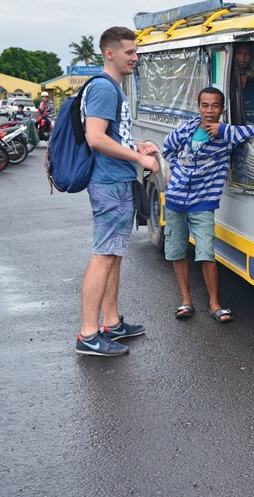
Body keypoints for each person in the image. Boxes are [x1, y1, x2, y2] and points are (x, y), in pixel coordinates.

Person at [75, 26, 160, 357]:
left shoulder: (112, 89)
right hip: (109, 183)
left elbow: (111, 137)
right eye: (129, 52)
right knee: (103, 256)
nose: (135, 58)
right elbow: (95, 137)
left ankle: (110, 323)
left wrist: (136, 145)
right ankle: (88, 333)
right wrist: (139, 157)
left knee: (113, 255)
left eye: (136, 52)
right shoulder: (105, 89)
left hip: (117, 181)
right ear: (109, 53)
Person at [161, 87, 254, 322]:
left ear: (222, 109)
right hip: (176, 199)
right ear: (198, 107)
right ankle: (186, 300)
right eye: (205, 105)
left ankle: (214, 303)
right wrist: (176, 171)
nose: (209, 110)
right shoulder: (187, 128)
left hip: (203, 203)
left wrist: (224, 129)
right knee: (177, 252)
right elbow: (167, 147)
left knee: (206, 253)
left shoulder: (226, 135)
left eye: (215, 106)